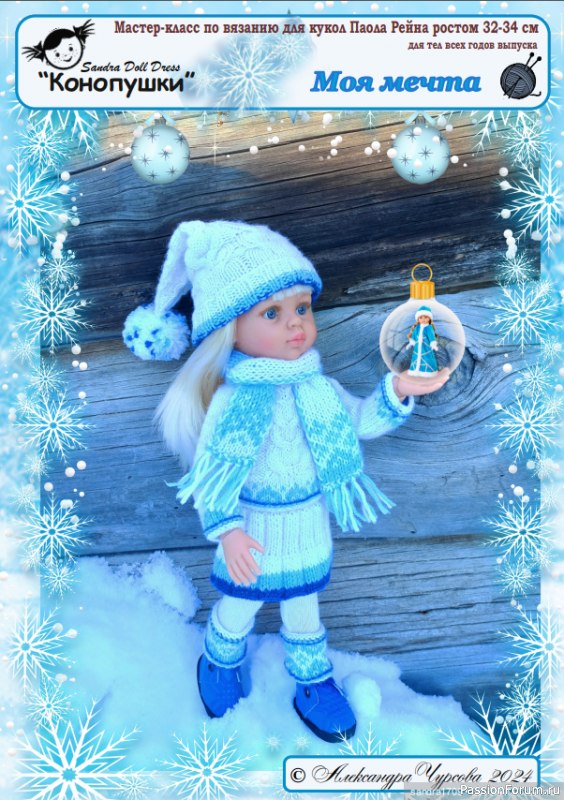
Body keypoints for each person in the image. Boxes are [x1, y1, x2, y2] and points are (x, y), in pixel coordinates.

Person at [123, 220, 447, 742]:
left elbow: (362, 421)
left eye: (302, 308)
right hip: (250, 533)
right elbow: (213, 475)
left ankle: (312, 682)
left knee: (304, 613)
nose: (295, 324)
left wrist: (398, 391)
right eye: (272, 313)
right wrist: (227, 530)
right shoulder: (231, 403)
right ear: (231, 328)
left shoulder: (319, 390)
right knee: (238, 608)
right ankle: (218, 659)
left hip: (306, 528)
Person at [407, 305, 439, 378]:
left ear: (429, 318)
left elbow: (431, 336)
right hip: (417, 348)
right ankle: (417, 373)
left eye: (426, 317)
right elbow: (414, 335)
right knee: (416, 358)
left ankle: (428, 373)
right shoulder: (417, 327)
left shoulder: (429, 328)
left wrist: (433, 344)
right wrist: (411, 342)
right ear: (418, 319)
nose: (423, 319)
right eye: (421, 318)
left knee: (427, 359)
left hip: (426, 348)